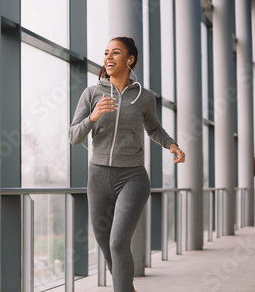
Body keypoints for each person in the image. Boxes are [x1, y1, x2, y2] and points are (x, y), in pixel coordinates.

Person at [69, 37, 185, 292]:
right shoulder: (92, 93)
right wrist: (93, 116)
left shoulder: (144, 97)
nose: (108, 58)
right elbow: (74, 136)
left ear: (129, 59)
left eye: (116, 53)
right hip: (98, 177)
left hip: (132, 177)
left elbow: (153, 127)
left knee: (118, 242)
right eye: (106, 53)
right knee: (104, 241)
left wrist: (171, 144)